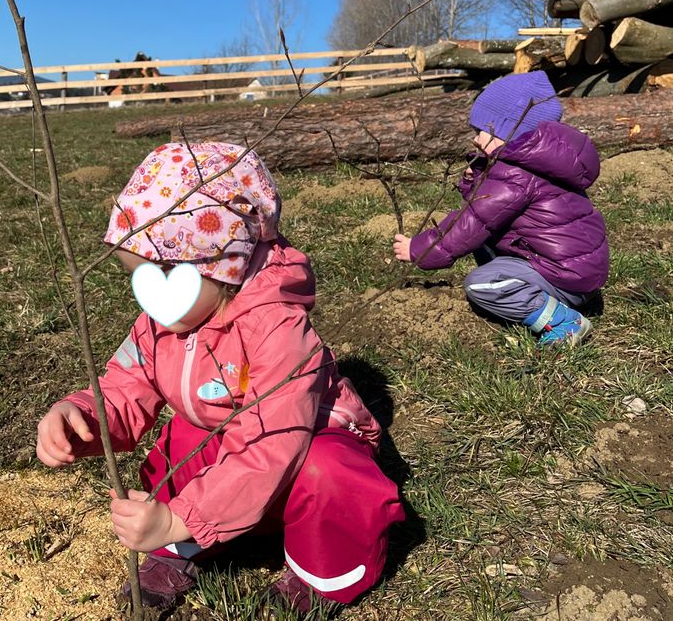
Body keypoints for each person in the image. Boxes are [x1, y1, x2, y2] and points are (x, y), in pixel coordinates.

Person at [37, 142, 405, 613]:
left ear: (224, 267)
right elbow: (126, 384)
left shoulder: (276, 329)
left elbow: (276, 443)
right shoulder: (162, 323)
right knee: (179, 440)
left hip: (294, 463)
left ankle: (320, 576)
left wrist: (178, 518)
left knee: (328, 471)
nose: (151, 301)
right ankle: (183, 546)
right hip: (231, 460)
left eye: (165, 279)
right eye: (138, 280)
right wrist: (82, 414)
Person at [393, 72, 609, 347]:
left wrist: (419, 250)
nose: (474, 140)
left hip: (565, 278)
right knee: (483, 243)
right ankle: (529, 288)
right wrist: (476, 178)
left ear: (504, 131)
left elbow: (470, 222)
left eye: (479, 132)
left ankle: (562, 320)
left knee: (480, 284)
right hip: (578, 272)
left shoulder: (515, 176)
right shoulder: (538, 165)